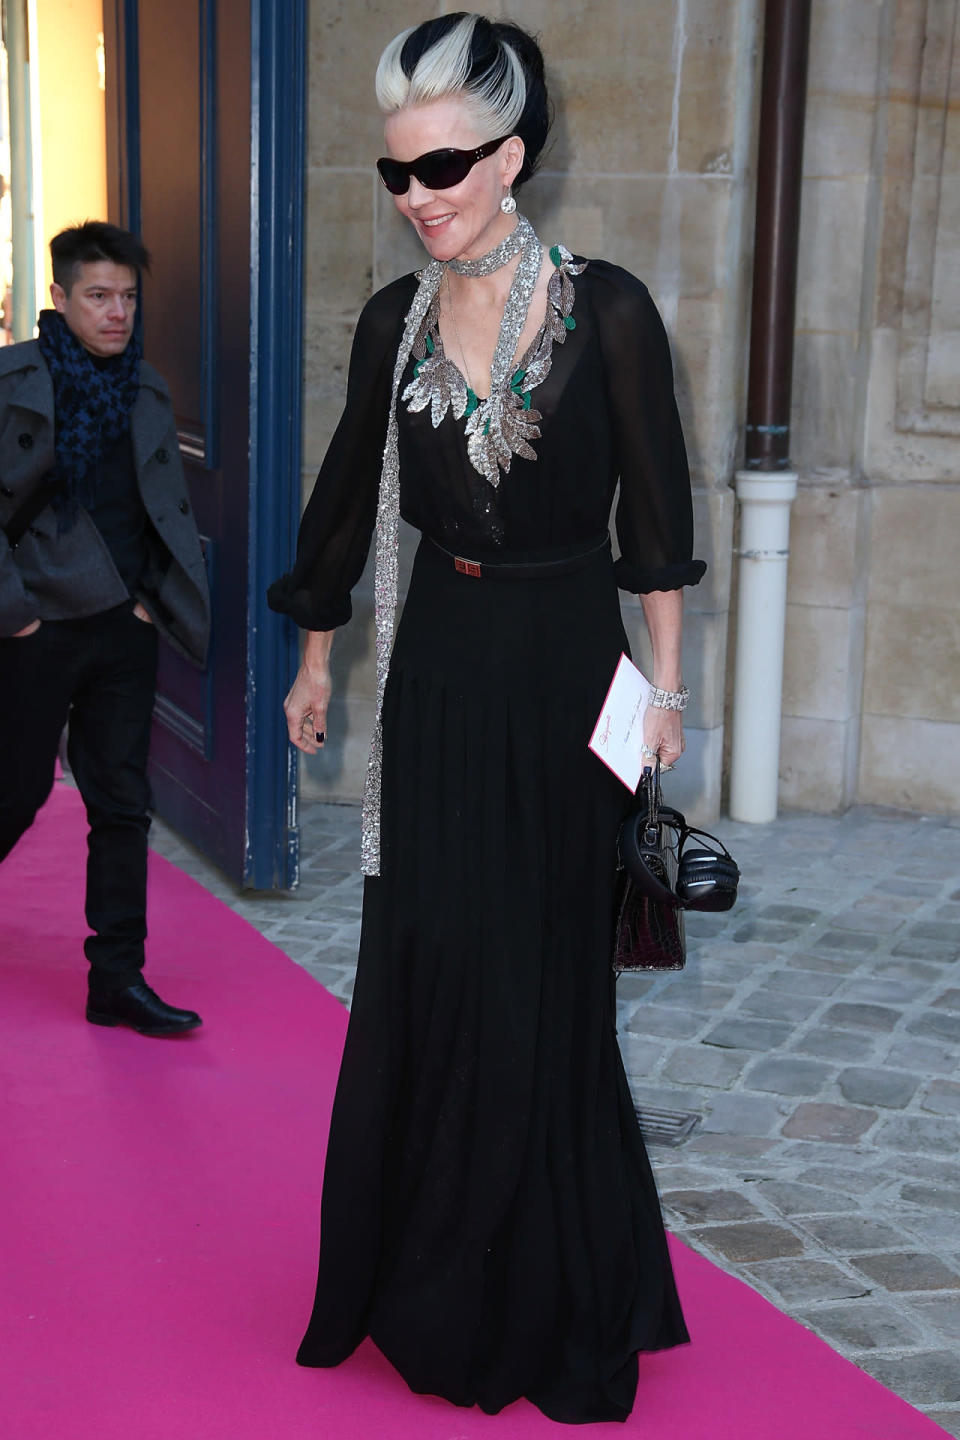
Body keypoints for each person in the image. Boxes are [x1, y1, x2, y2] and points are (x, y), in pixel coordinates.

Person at [269, 13, 706, 1425]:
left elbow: (657, 525)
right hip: (443, 673)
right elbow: (343, 497)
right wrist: (319, 660)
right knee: (439, 966)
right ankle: (432, 1280)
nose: (420, 194)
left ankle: (558, 1295)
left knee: (548, 984)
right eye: (398, 172)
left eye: (446, 164)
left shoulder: (609, 309)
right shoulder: (394, 320)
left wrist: (668, 693)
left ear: (511, 157)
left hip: (569, 671)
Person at [0, 222, 210, 1037]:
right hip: (36, 628)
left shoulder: (144, 389)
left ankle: (116, 979)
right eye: (98, 296)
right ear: (60, 298)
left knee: (122, 806)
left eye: (127, 297)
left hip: (120, 630)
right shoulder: (15, 381)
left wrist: (152, 598)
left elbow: (155, 509)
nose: (116, 312)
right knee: (13, 795)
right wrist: (14, 616)